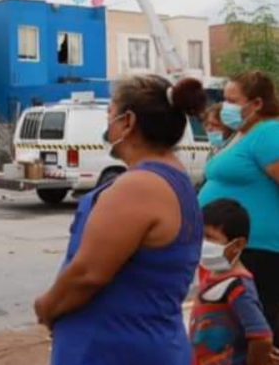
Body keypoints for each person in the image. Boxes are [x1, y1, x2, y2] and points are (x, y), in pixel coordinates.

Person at [34, 74, 206, 365]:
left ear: (128, 122)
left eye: (110, 114)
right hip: (147, 341)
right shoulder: (172, 177)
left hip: (115, 349)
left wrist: (47, 307)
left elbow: (88, 275)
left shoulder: (139, 186)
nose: (107, 123)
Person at [200, 71, 279, 343]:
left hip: (261, 250)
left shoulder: (269, 132)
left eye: (233, 100)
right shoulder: (242, 134)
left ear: (256, 103)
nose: (227, 106)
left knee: (262, 329)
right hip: (235, 248)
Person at [191, 199, 278, 365]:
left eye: (209, 237)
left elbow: (262, 336)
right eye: (200, 236)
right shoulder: (212, 277)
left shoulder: (237, 287)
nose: (203, 243)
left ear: (238, 244)